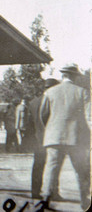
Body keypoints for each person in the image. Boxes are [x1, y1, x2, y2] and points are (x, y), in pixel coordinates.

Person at [40, 64, 91, 210]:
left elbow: (43, 115)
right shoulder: (83, 92)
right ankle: (85, 201)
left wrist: (51, 129)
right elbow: (89, 116)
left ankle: (45, 200)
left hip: (53, 137)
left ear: (63, 76)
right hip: (76, 139)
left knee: (51, 169)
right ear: (75, 76)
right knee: (81, 170)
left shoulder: (50, 92)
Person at [28, 78, 59, 200]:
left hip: (37, 139)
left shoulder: (33, 102)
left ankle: (34, 192)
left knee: (38, 165)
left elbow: (29, 124)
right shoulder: (54, 101)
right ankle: (53, 192)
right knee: (54, 164)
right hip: (52, 138)